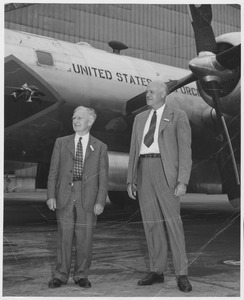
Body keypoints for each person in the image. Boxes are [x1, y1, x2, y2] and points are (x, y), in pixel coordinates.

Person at [127, 80, 192, 292]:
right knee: (151, 222)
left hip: (166, 172)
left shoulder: (178, 115)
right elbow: (134, 150)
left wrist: (182, 180)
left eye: (152, 92)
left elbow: (185, 151)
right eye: (147, 92)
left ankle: (181, 273)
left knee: (174, 224)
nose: (148, 95)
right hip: (144, 170)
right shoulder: (139, 118)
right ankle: (157, 270)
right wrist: (130, 179)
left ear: (164, 94)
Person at [47, 106, 109, 288]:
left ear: (90, 122)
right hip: (65, 195)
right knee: (64, 237)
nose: (75, 121)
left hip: (88, 196)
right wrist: (51, 195)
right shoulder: (61, 142)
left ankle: (81, 275)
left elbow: (104, 178)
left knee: (85, 237)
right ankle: (61, 275)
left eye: (80, 118)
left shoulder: (100, 147)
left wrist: (100, 201)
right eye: (74, 117)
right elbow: (53, 172)